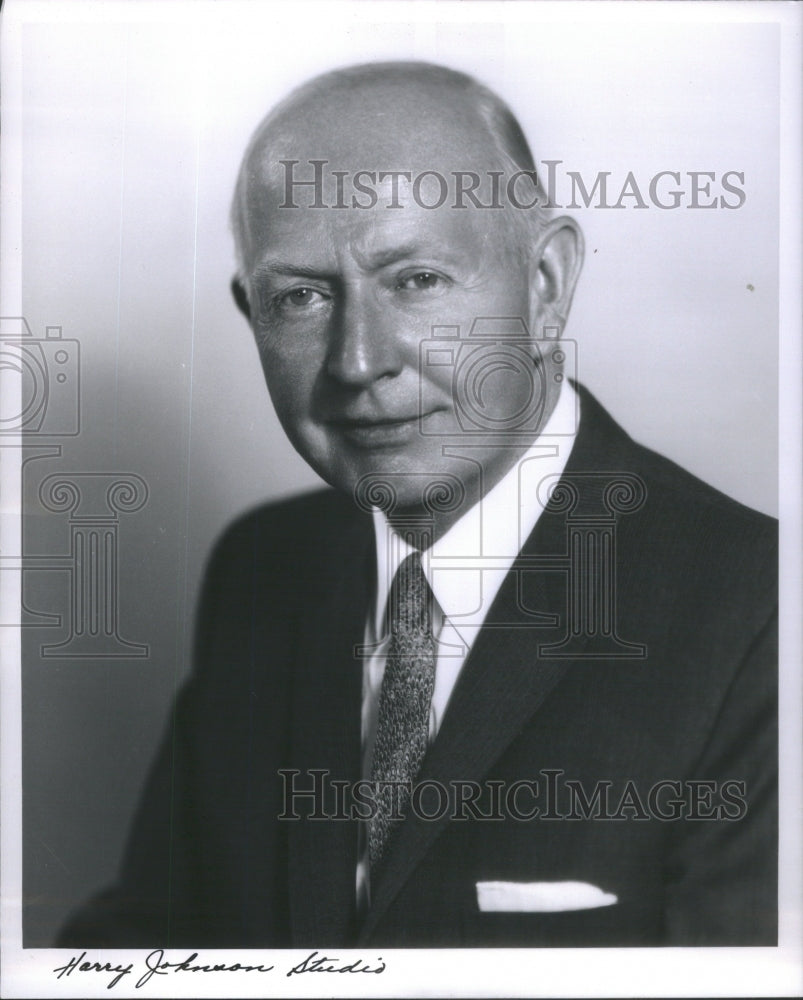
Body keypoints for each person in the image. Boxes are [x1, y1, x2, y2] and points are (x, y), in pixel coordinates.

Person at [58, 61, 777, 949]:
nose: (358, 361)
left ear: (545, 283)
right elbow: (147, 940)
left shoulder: (758, 616)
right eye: (302, 298)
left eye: (416, 280)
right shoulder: (263, 569)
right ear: (249, 315)